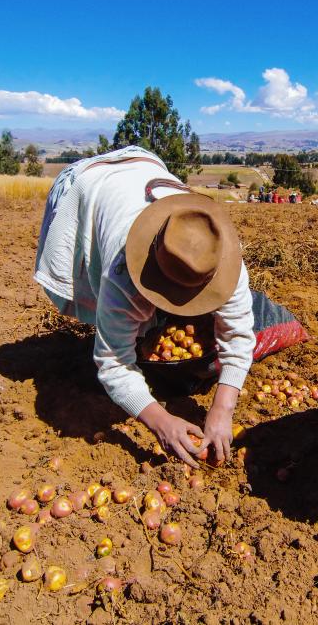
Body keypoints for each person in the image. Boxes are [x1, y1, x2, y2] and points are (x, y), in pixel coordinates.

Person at [34, 146, 255, 467]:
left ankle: (131, 326)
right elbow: (113, 364)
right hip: (90, 184)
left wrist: (223, 408)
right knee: (114, 323)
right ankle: (119, 329)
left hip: (143, 166)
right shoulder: (121, 272)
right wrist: (161, 422)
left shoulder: (219, 258)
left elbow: (238, 336)